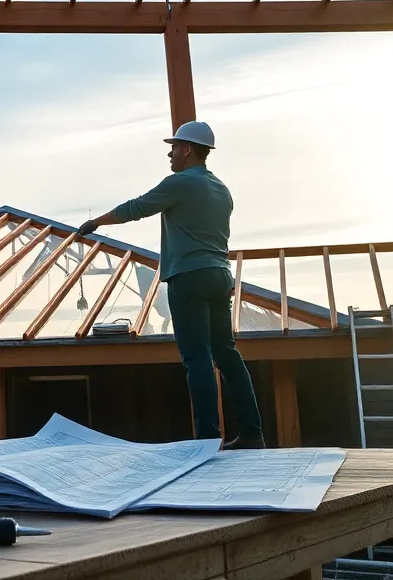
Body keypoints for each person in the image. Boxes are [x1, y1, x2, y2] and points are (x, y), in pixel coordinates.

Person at [77, 121, 264, 450]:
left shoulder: (180, 183)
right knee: (227, 353)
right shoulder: (222, 189)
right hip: (220, 275)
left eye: (174, 147)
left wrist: (96, 222)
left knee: (197, 358)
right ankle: (252, 433)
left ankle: (206, 441)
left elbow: (138, 207)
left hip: (189, 276)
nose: (170, 152)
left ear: (188, 149)